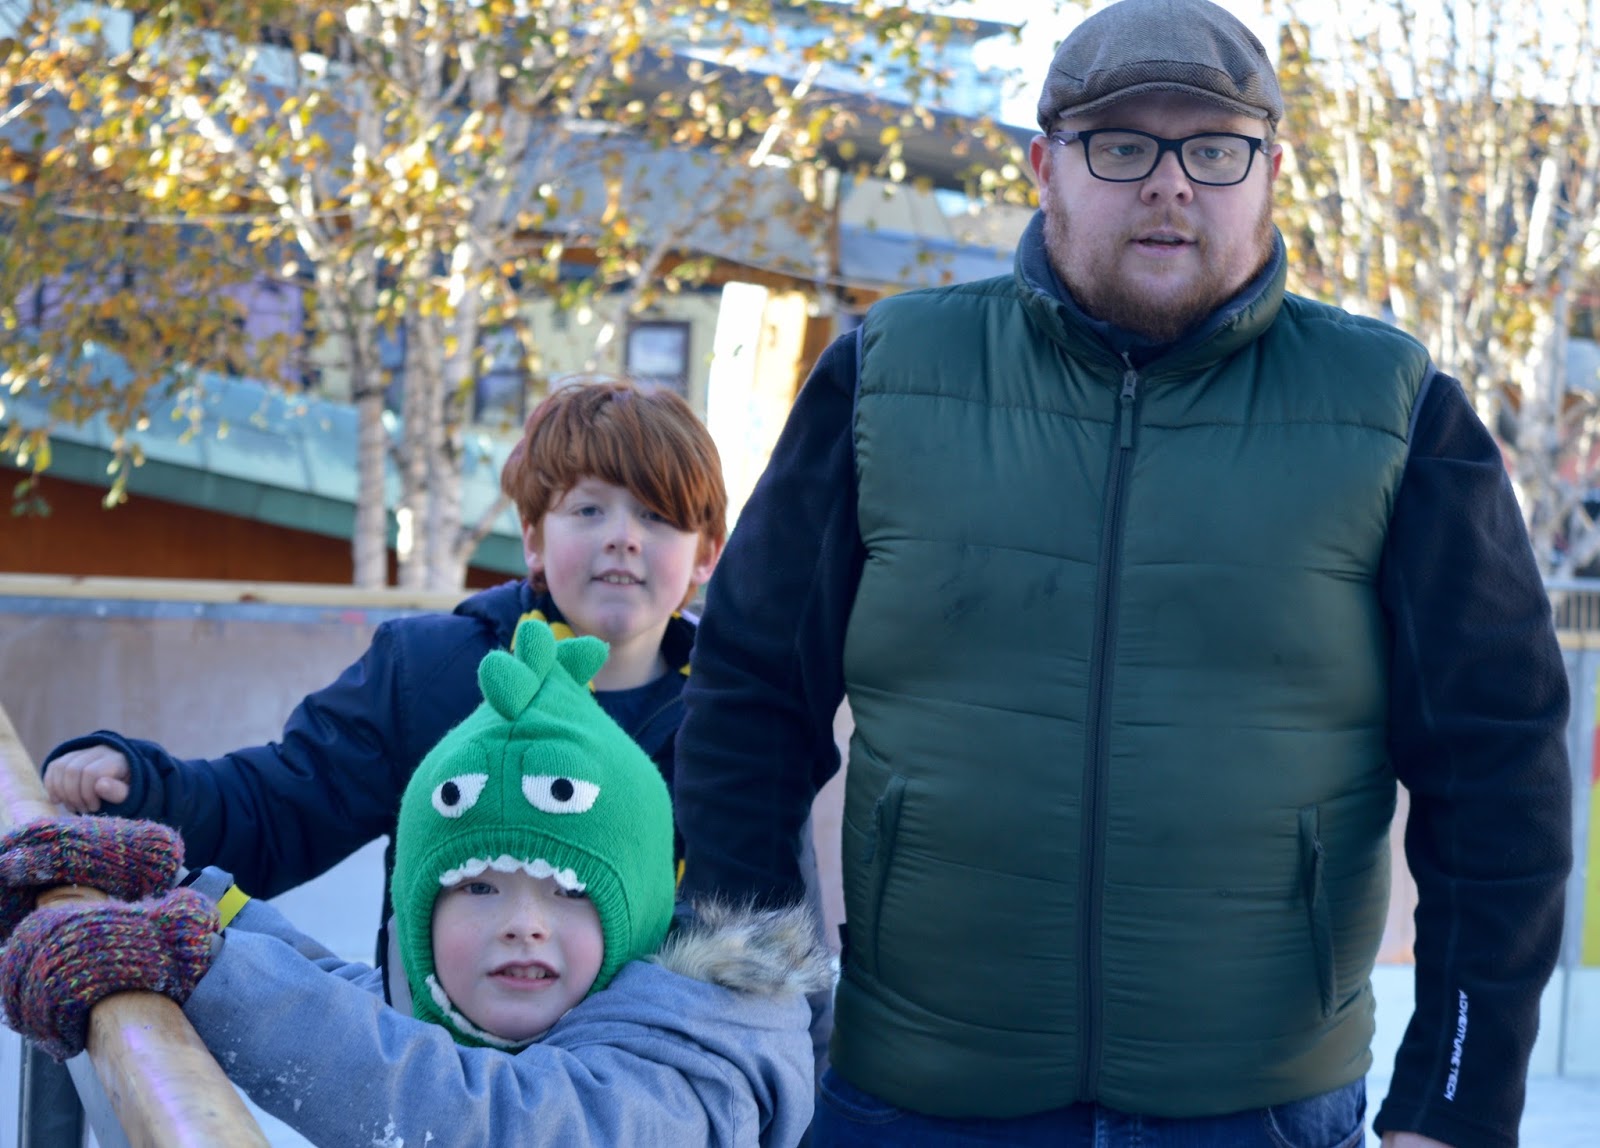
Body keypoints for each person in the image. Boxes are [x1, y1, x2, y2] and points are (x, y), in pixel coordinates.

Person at [672, 2, 1573, 1147]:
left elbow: (1498, 767)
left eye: (1213, 147)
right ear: (1045, 167)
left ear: (1270, 172)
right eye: (1121, 144)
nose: (1169, 182)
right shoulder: (886, 377)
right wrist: (757, 1007)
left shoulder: (1394, 410)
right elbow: (749, 699)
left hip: (1258, 1110)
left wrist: (1455, 1096)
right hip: (912, 1101)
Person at [0, 619, 827, 1146]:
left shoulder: (684, 1076)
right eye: (476, 887)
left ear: (640, 912)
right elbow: (369, 1008)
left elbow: (483, 1114)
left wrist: (205, 971)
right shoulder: (539, 1014)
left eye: (570, 891)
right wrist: (180, 899)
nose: (524, 923)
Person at [40, 377, 726, 964]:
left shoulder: (731, 716)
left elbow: (761, 916)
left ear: (705, 556)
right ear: (533, 540)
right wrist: (142, 788)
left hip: (642, 1085)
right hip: (445, 1073)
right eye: (588, 508)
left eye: (656, 516)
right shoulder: (434, 672)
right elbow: (280, 807)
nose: (623, 536)